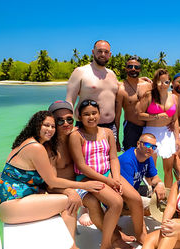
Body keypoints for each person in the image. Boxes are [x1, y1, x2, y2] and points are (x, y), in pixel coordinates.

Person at [0, 111, 104, 248]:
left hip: (8, 202)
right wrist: (85, 185)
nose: (50, 130)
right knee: (68, 201)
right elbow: (52, 181)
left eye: (53, 126)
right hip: (10, 206)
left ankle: (71, 245)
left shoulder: (27, 141)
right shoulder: (36, 147)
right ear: (37, 125)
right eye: (46, 125)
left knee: (68, 198)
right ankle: (72, 247)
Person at [47, 100, 133, 248]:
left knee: (96, 202)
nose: (66, 123)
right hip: (61, 188)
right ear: (52, 122)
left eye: (69, 119)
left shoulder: (75, 135)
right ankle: (79, 244)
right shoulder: (49, 146)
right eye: (59, 121)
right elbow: (50, 182)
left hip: (80, 184)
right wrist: (70, 190)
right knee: (87, 203)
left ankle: (114, 235)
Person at [68, 99, 147, 246]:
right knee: (116, 202)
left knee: (136, 199)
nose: (91, 117)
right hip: (86, 178)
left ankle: (140, 234)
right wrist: (108, 182)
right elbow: (81, 165)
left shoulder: (108, 132)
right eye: (86, 114)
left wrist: (116, 178)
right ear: (79, 117)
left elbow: (113, 158)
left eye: (94, 113)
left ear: (99, 114)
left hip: (108, 174)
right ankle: (106, 244)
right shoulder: (76, 136)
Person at [136, 69, 180, 188]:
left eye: (166, 82)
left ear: (170, 83)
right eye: (160, 82)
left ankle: (167, 194)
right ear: (155, 82)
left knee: (168, 169)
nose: (163, 85)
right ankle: (152, 194)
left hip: (167, 134)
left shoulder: (174, 98)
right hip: (151, 134)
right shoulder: (149, 96)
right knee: (152, 169)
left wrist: (177, 138)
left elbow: (175, 119)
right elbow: (139, 114)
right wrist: (155, 116)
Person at [66, 40, 119, 138]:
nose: (103, 54)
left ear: (110, 54)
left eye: (106, 52)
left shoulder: (112, 74)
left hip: (110, 128)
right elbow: (69, 102)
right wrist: (68, 126)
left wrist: (139, 81)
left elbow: (122, 88)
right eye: (99, 51)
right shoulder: (80, 72)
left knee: (111, 154)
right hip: (85, 127)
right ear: (93, 52)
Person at [115, 55, 151, 151]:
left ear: (140, 69)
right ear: (126, 69)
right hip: (131, 128)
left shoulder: (148, 85)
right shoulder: (121, 89)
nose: (133, 69)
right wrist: (116, 139)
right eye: (130, 67)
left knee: (148, 157)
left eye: (136, 67)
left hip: (148, 128)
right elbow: (117, 117)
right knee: (130, 158)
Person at [119, 133, 166, 204]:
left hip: (134, 189)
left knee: (164, 195)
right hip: (122, 195)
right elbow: (127, 192)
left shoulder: (148, 158)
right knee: (153, 204)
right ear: (138, 144)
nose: (150, 149)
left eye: (153, 147)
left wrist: (160, 184)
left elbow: (154, 178)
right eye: (147, 145)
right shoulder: (127, 160)